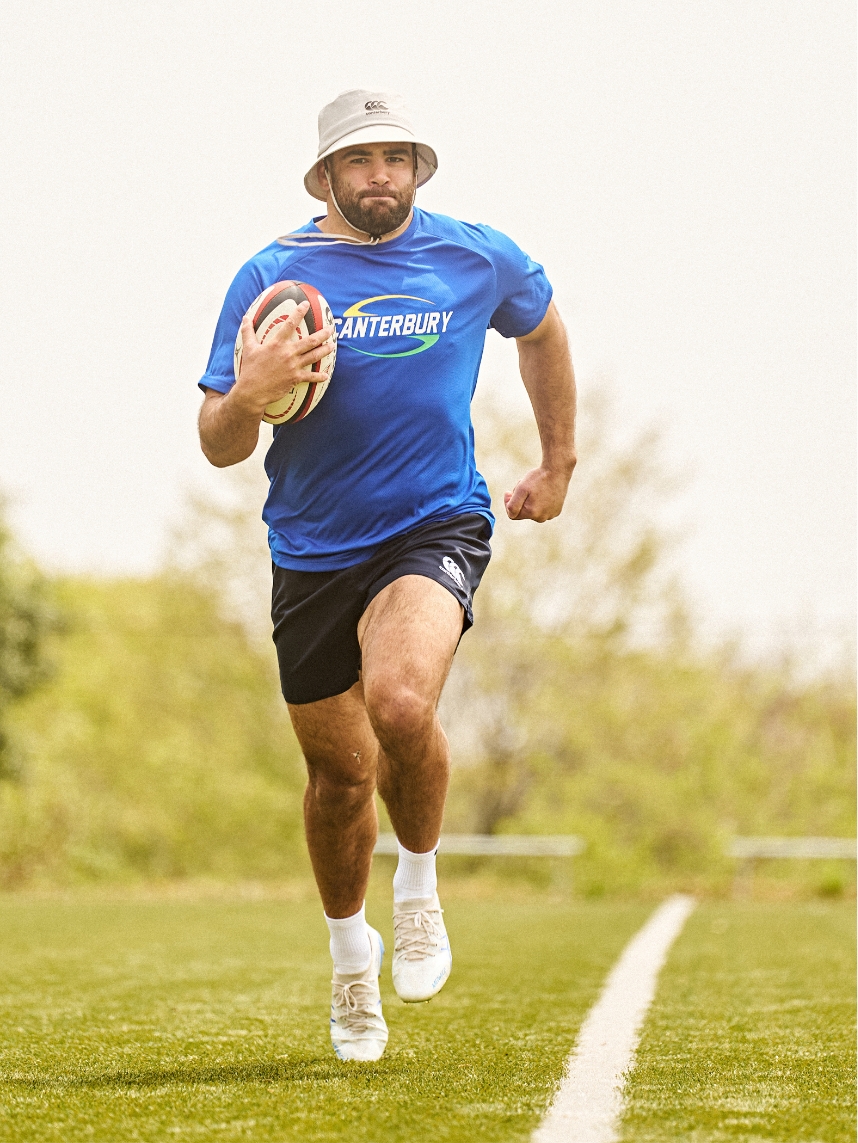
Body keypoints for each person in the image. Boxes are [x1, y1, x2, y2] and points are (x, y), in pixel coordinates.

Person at [197, 90, 576, 1061]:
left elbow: (542, 326)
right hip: (312, 550)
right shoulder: (274, 279)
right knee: (336, 776)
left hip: (434, 523)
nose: (382, 177)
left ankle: (415, 889)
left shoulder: (475, 255)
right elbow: (218, 443)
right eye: (361, 162)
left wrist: (557, 459)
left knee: (402, 705)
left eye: (398, 159)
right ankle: (349, 963)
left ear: (420, 168)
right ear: (325, 177)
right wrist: (246, 393)